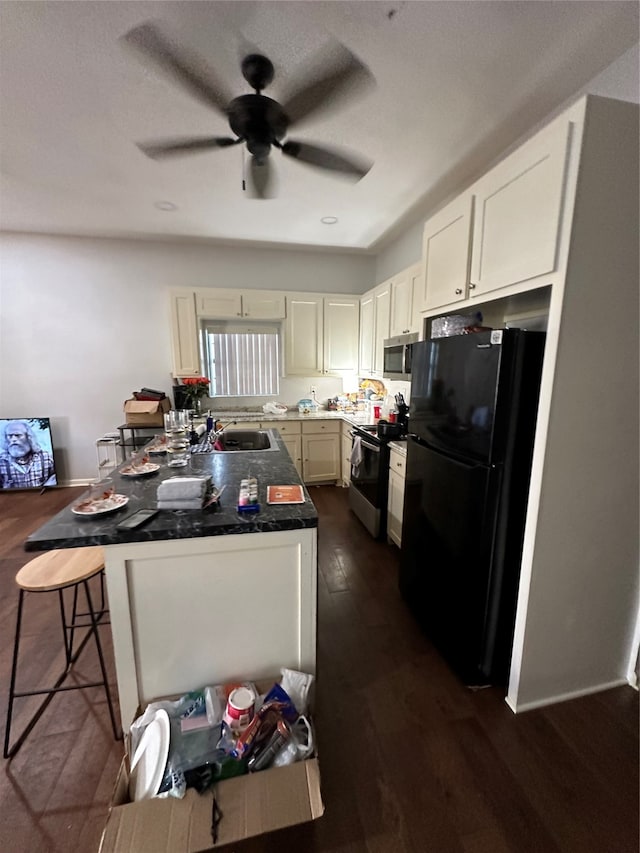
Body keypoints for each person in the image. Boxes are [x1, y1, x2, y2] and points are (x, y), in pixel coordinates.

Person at [0, 420, 57, 489]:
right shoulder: (2, 462)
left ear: (29, 437)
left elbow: (57, 478)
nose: (13, 439)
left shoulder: (45, 458)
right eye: (10, 436)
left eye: (18, 435)